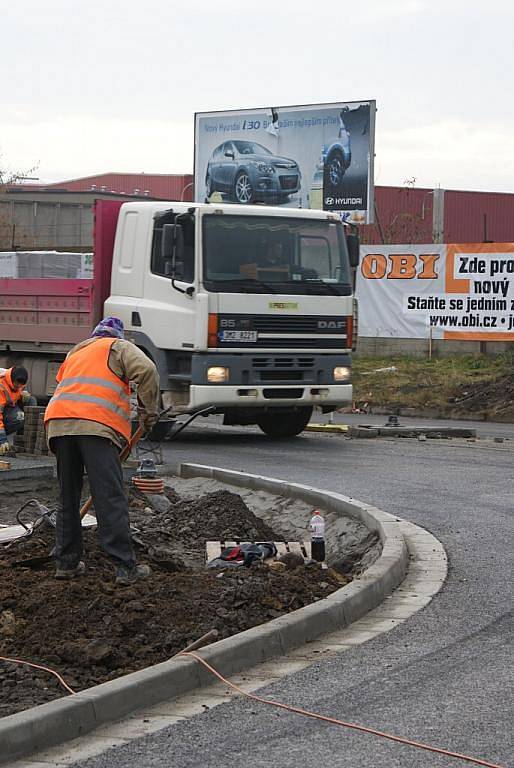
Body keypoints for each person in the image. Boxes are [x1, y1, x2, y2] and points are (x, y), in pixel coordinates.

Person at [44, 317, 160, 586]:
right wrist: (148, 411)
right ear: (116, 335)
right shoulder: (117, 346)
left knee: (67, 497)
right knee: (109, 497)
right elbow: (148, 371)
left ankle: (66, 562)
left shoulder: (77, 351)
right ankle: (124, 566)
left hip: (59, 424)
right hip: (96, 425)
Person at [0, 366, 37, 455]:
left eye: (22, 385)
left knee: (31, 400)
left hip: (7, 407)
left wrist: (21, 394)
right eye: (18, 384)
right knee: (20, 417)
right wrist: (2, 439)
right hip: (2, 412)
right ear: (12, 379)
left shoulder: (14, 381)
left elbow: (12, 394)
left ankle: (23, 439)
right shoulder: (1, 387)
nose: (19, 386)